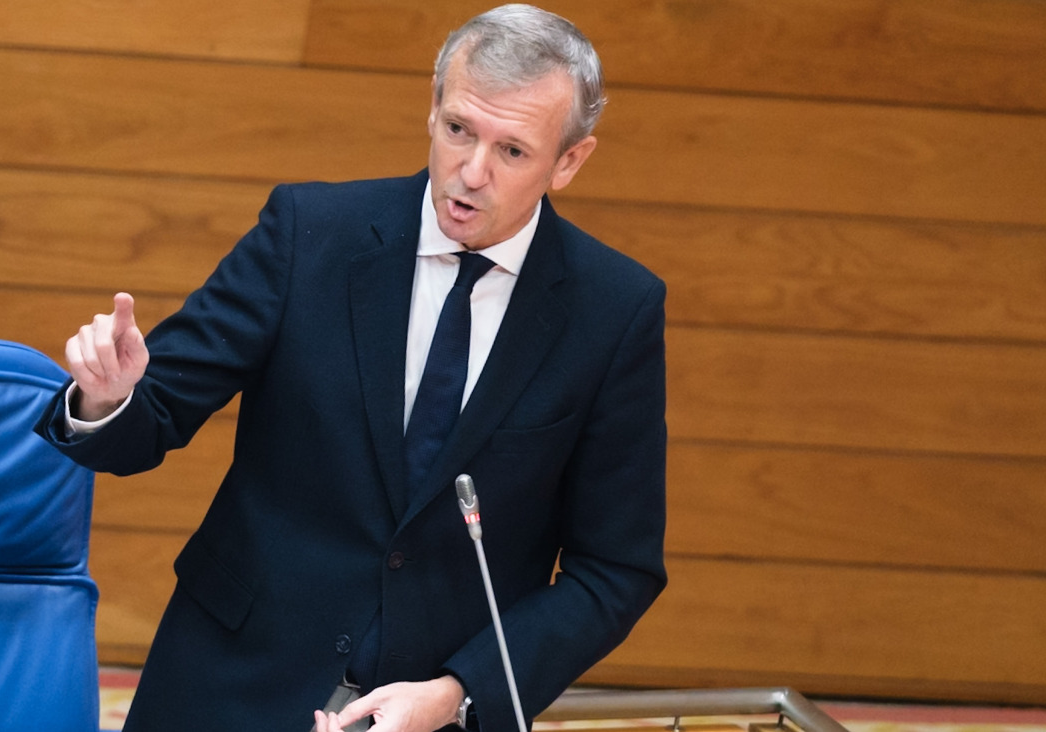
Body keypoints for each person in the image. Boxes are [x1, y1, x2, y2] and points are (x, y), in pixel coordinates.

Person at [36, 4, 667, 730]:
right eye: (458, 129)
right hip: (230, 681)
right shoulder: (309, 235)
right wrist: (107, 399)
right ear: (433, 107)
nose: (471, 172)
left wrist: (459, 692)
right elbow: (153, 415)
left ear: (569, 161)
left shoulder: (614, 310)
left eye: (513, 151)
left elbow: (614, 569)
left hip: (432, 710)